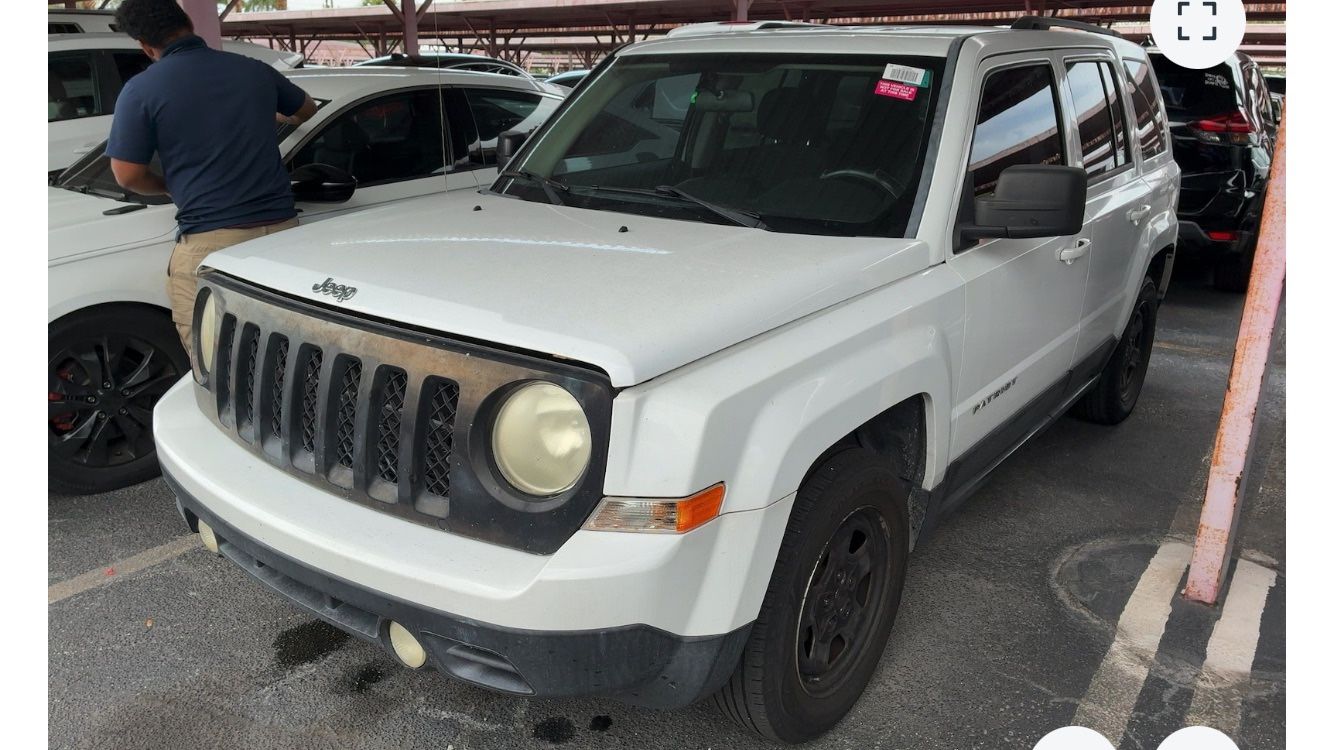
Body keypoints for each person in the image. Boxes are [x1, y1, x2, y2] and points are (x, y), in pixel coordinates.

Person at [106, 0, 317, 352]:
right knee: (282, 355)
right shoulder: (252, 70)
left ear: (145, 45)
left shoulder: (142, 89)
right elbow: (307, 109)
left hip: (212, 247)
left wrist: (169, 188)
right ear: (189, 22)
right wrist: (275, 117)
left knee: (216, 365)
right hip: (283, 238)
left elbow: (126, 175)